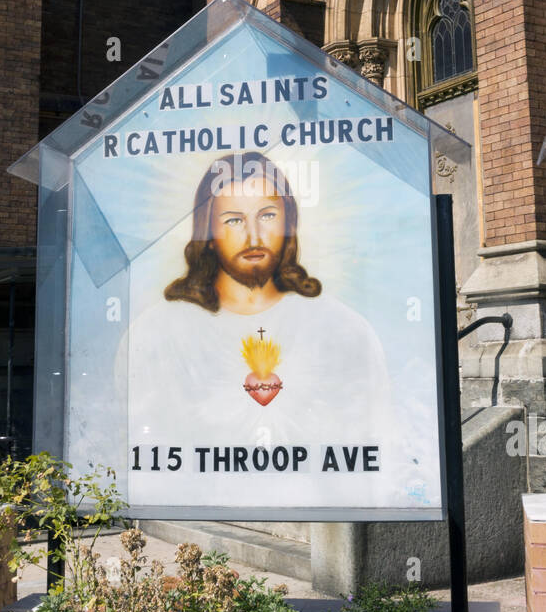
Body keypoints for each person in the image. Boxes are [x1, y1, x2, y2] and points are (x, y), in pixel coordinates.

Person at [123, 151, 398, 461]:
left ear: (289, 222)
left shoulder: (343, 330)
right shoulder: (156, 334)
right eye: (234, 220)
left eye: (267, 215)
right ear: (208, 233)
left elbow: (376, 444)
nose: (254, 236)